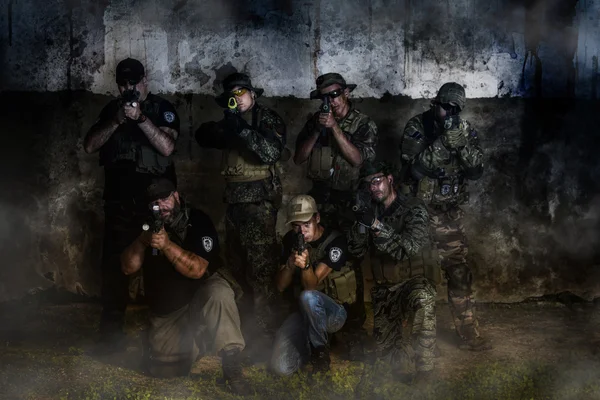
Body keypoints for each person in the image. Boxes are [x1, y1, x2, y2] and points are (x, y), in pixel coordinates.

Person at [83, 58, 180, 348]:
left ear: (144, 80)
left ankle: (160, 331)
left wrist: (140, 119)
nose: (129, 88)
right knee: (114, 267)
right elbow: (90, 145)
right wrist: (117, 119)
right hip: (119, 203)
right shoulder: (111, 111)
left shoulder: (162, 109)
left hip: (154, 203)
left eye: (133, 83)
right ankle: (111, 335)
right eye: (123, 83)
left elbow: (167, 146)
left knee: (157, 263)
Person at [120, 178, 249, 394]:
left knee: (219, 292)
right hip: (170, 311)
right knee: (165, 371)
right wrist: (142, 241)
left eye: (165, 199)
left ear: (176, 197)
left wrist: (166, 245)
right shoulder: (143, 224)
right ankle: (197, 341)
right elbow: (127, 268)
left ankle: (232, 366)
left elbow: (197, 269)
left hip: (202, 297)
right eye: (155, 203)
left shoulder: (197, 221)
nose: (161, 206)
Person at [195, 72, 287, 345]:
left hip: (258, 207)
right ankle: (244, 332)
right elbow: (203, 136)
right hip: (234, 207)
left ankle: (267, 337)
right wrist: (227, 126)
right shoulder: (231, 121)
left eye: (241, 92)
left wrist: (242, 130)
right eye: (231, 95)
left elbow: (270, 153)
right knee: (237, 271)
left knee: (261, 274)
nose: (237, 98)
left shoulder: (266, 119)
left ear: (253, 94)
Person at [399, 82, 490, 351]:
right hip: (418, 215)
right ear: (434, 104)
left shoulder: (465, 131)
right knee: (415, 276)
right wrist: (440, 145)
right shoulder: (417, 127)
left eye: (455, 109)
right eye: (445, 107)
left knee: (459, 273)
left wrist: (461, 146)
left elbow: (476, 172)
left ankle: (468, 333)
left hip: (448, 216)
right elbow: (411, 172)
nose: (449, 113)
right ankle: (411, 338)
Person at [293, 73, 379, 357]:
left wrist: (336, 129)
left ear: (346, 94)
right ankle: (323, 320)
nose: (329, 101)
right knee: (320, 260)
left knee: (350, 263)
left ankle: (352, 326)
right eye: (324, 97)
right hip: (322, 204)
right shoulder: (315, 122)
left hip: (350, 205)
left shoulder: (364, 124)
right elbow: (300, 157)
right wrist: (319, 130)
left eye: (334, 95)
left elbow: (358, 159)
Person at [348, 161, 439, 384]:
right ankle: (405, 346)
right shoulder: (372, 210)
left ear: (390, 179)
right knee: (390, 364)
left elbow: (407, 248)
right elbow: (356, 252)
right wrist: (361, 223)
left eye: (377, 181)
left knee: (424, 299)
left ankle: (425, 370)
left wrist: (377, 225)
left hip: (412, 282)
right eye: (368, 184)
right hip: (385, 291)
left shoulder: (413, 208)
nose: (373, 187)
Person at [270, 195, 353, 376]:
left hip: (333, 312)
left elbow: (312, 287)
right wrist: (291, 264)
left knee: (308, 297)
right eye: (296, 226)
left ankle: (320, 356)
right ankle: (308, 347)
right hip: (303, 313)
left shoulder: (335, 241)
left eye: (307, 225)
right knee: (282, 367)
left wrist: (306, 266)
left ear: (317, 218)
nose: (302, 232)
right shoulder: (290, 240)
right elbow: (280, 286)